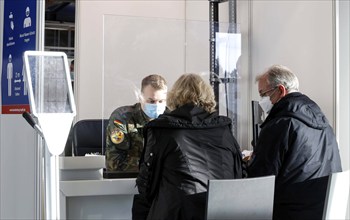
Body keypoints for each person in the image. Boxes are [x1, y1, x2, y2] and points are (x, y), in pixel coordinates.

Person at [134, 73, 243, 220]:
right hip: (221, 211)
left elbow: (147, 182)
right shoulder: (224, 129)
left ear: (173, 96)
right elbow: (238, 174)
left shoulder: (162, 130)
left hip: (176, 212)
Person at [247, 64, 342, 220]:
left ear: (280, 90)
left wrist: (250, 162)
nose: (262, 101)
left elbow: (260, 180)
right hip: (321, 209)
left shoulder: (280, 125)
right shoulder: (323, 121)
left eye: (263, 94)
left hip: (290, 212)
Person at [105, 74, 167, 171]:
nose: (156, 106)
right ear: (140, 98)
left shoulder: (171, 118)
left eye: (161, 101)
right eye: (151, 101)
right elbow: (115, 163)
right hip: (129, 181)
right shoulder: (122, 118)